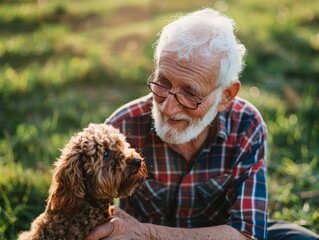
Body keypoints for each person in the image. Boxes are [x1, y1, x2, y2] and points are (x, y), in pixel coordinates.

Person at [86, 8, 319, 240]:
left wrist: (147, 233)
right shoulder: (122, 127)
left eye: (190, 93)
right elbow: (82, 215)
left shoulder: (246, 126)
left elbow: (247, 233)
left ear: (226, 96)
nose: (167, 108)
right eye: (163, 82)